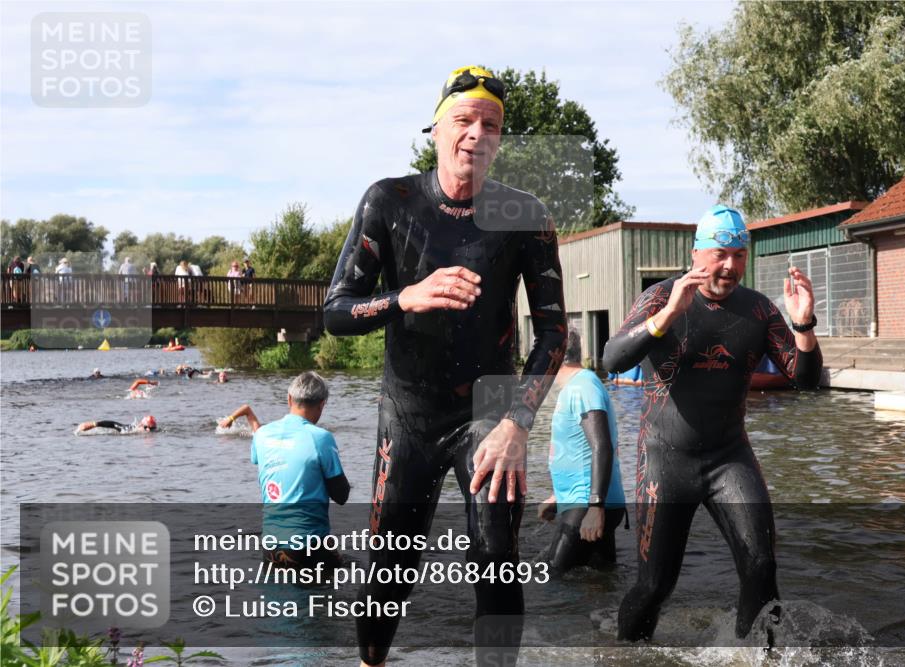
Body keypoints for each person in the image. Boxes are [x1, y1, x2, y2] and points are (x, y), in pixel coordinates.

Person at [323, 65, 566, 667]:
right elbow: (336, 311)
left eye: (491, 125)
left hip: (491, 410)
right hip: (409, 409)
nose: (476, 134)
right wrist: (404, 297)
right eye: (464, 120)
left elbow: (554, 333)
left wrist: (517, 423)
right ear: (435, 130)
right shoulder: (389, 201)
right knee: (390, 565)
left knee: (496, 558)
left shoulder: (525, 214)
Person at [603, 205, 823, 643]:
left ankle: (752, 656)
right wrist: (668, 316)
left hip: (729, 458)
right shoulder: (660, 298)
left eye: (739, 255)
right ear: (696, 254)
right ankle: (623, 652)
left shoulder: (757, 310)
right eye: (721, 254)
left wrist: (803, 324)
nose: (730, 266)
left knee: (761, 566)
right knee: (655, 585)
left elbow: (805, 380)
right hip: (664, 460)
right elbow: (612, 359)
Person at [536, 330, 626, 573]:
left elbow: (602, 446)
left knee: (552, 578)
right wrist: (558, 497)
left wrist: (595, 507)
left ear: (555, 354)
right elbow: (579, 450)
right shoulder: (578, 386)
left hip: (588, 503)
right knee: (600, 578)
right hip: (585, 500)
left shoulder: (582, 387)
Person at [250, 372, 350, 572]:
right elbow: (341, 496)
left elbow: (263, 463)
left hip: (271, 548)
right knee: (358, 571)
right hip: (307, 547)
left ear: (289, 398)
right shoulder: (321, 438)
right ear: (322, 404)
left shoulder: (261, 435)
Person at [76, 415, 157, 434]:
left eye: (152, 429)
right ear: (141, 425)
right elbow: (113, 424)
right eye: (146, 427)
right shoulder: (127, 429)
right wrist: (94, 424)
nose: (148, 430)